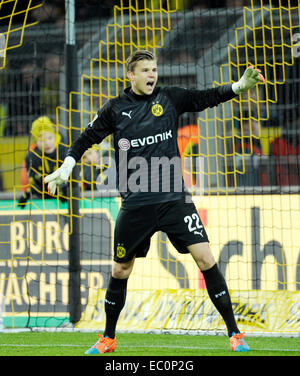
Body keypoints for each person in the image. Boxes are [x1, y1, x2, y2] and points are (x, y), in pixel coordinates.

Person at [44, 50, 264, 353]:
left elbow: (206, 97)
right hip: (136, 205)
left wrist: (238, 87)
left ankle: (235, 335)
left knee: (206, 259)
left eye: (155, 69)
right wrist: (67, 166)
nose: (152, 75)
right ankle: (108, 337)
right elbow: (84, 139)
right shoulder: (115, 109)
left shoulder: (169, 98)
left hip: (174, 199)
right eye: (145, 70)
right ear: (130, 75)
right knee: (120, 271)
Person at [18, 116, 67, 208]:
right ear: (36, 142)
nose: (47, 143)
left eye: (50, 138)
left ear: (55, 137)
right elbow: (32, 179)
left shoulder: (63, 152)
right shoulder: (31, 156)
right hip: (42, 192)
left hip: (62, 189)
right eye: (42, 140)